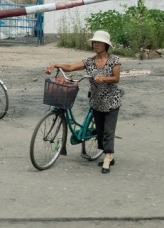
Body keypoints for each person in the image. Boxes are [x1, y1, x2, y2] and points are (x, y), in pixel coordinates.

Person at [45, 30, 122, 174]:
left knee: (108, 131)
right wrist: (56, 64)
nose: (96, 45)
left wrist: (104, 78)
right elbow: (71, 67)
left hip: (112, 101)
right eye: (95, 42)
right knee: (99, 132)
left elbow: (116, 78)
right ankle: (107, 153)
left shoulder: (114, 60)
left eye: (99, 43)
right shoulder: (89, 61)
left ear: (106, 45)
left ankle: (108, 158)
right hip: (96, 101)